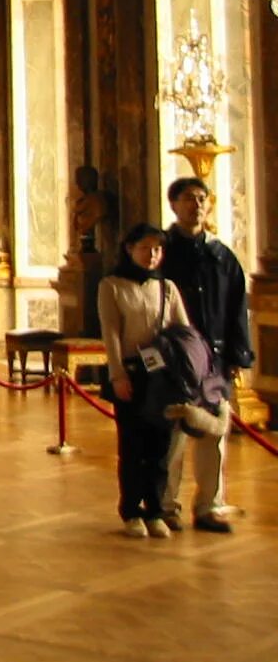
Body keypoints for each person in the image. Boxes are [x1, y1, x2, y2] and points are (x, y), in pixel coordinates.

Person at [161, 176, 253, 533]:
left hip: (214, 361)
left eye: (202, 198)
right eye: (188, 198)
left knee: (214, 436)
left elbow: (236, 309)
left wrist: (237, 356)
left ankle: (209, 505)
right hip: (176, 360)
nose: (196, 205)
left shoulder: (222, 256)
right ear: (174, 204)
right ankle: (166, 505)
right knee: (174, 437)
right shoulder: (162, 251)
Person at [99, 222, 192, 539]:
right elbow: (110, 333)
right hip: (130, 371)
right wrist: (117, 374)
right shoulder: (111, 286)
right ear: (130, 249)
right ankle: (131, 509)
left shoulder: (167, 288)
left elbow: (183, 330)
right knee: (132, 443)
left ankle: (155, 509)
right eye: (145, 248)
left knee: (160, 446)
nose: (152, 255)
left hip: (162, 376)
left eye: (157, 249)